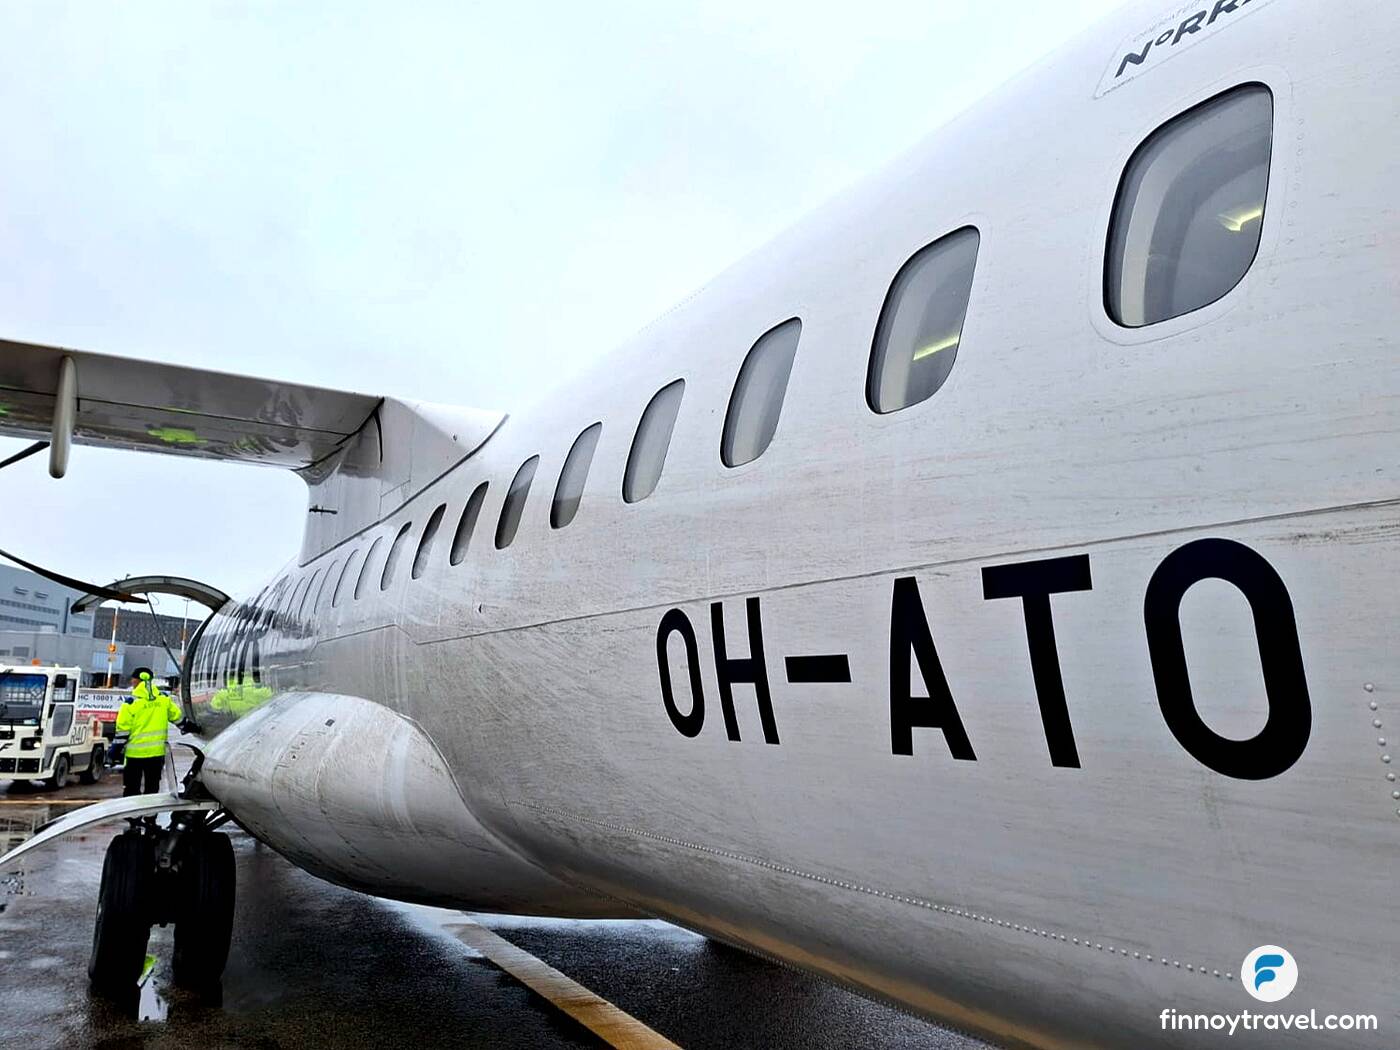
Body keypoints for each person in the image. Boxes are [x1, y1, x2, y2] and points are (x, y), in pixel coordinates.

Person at [116, 671, 182, 797]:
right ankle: (150, 816)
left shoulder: (131, 702)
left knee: (132, 788)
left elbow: (122, 729)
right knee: (152, 788)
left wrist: (115, 750)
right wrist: (192, 728)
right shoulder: (163, 700)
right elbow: (178, 717)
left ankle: (133, 816)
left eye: (133, 679)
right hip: (156, 755)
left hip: (134, 755)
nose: (131, 682)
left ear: (137, 680)